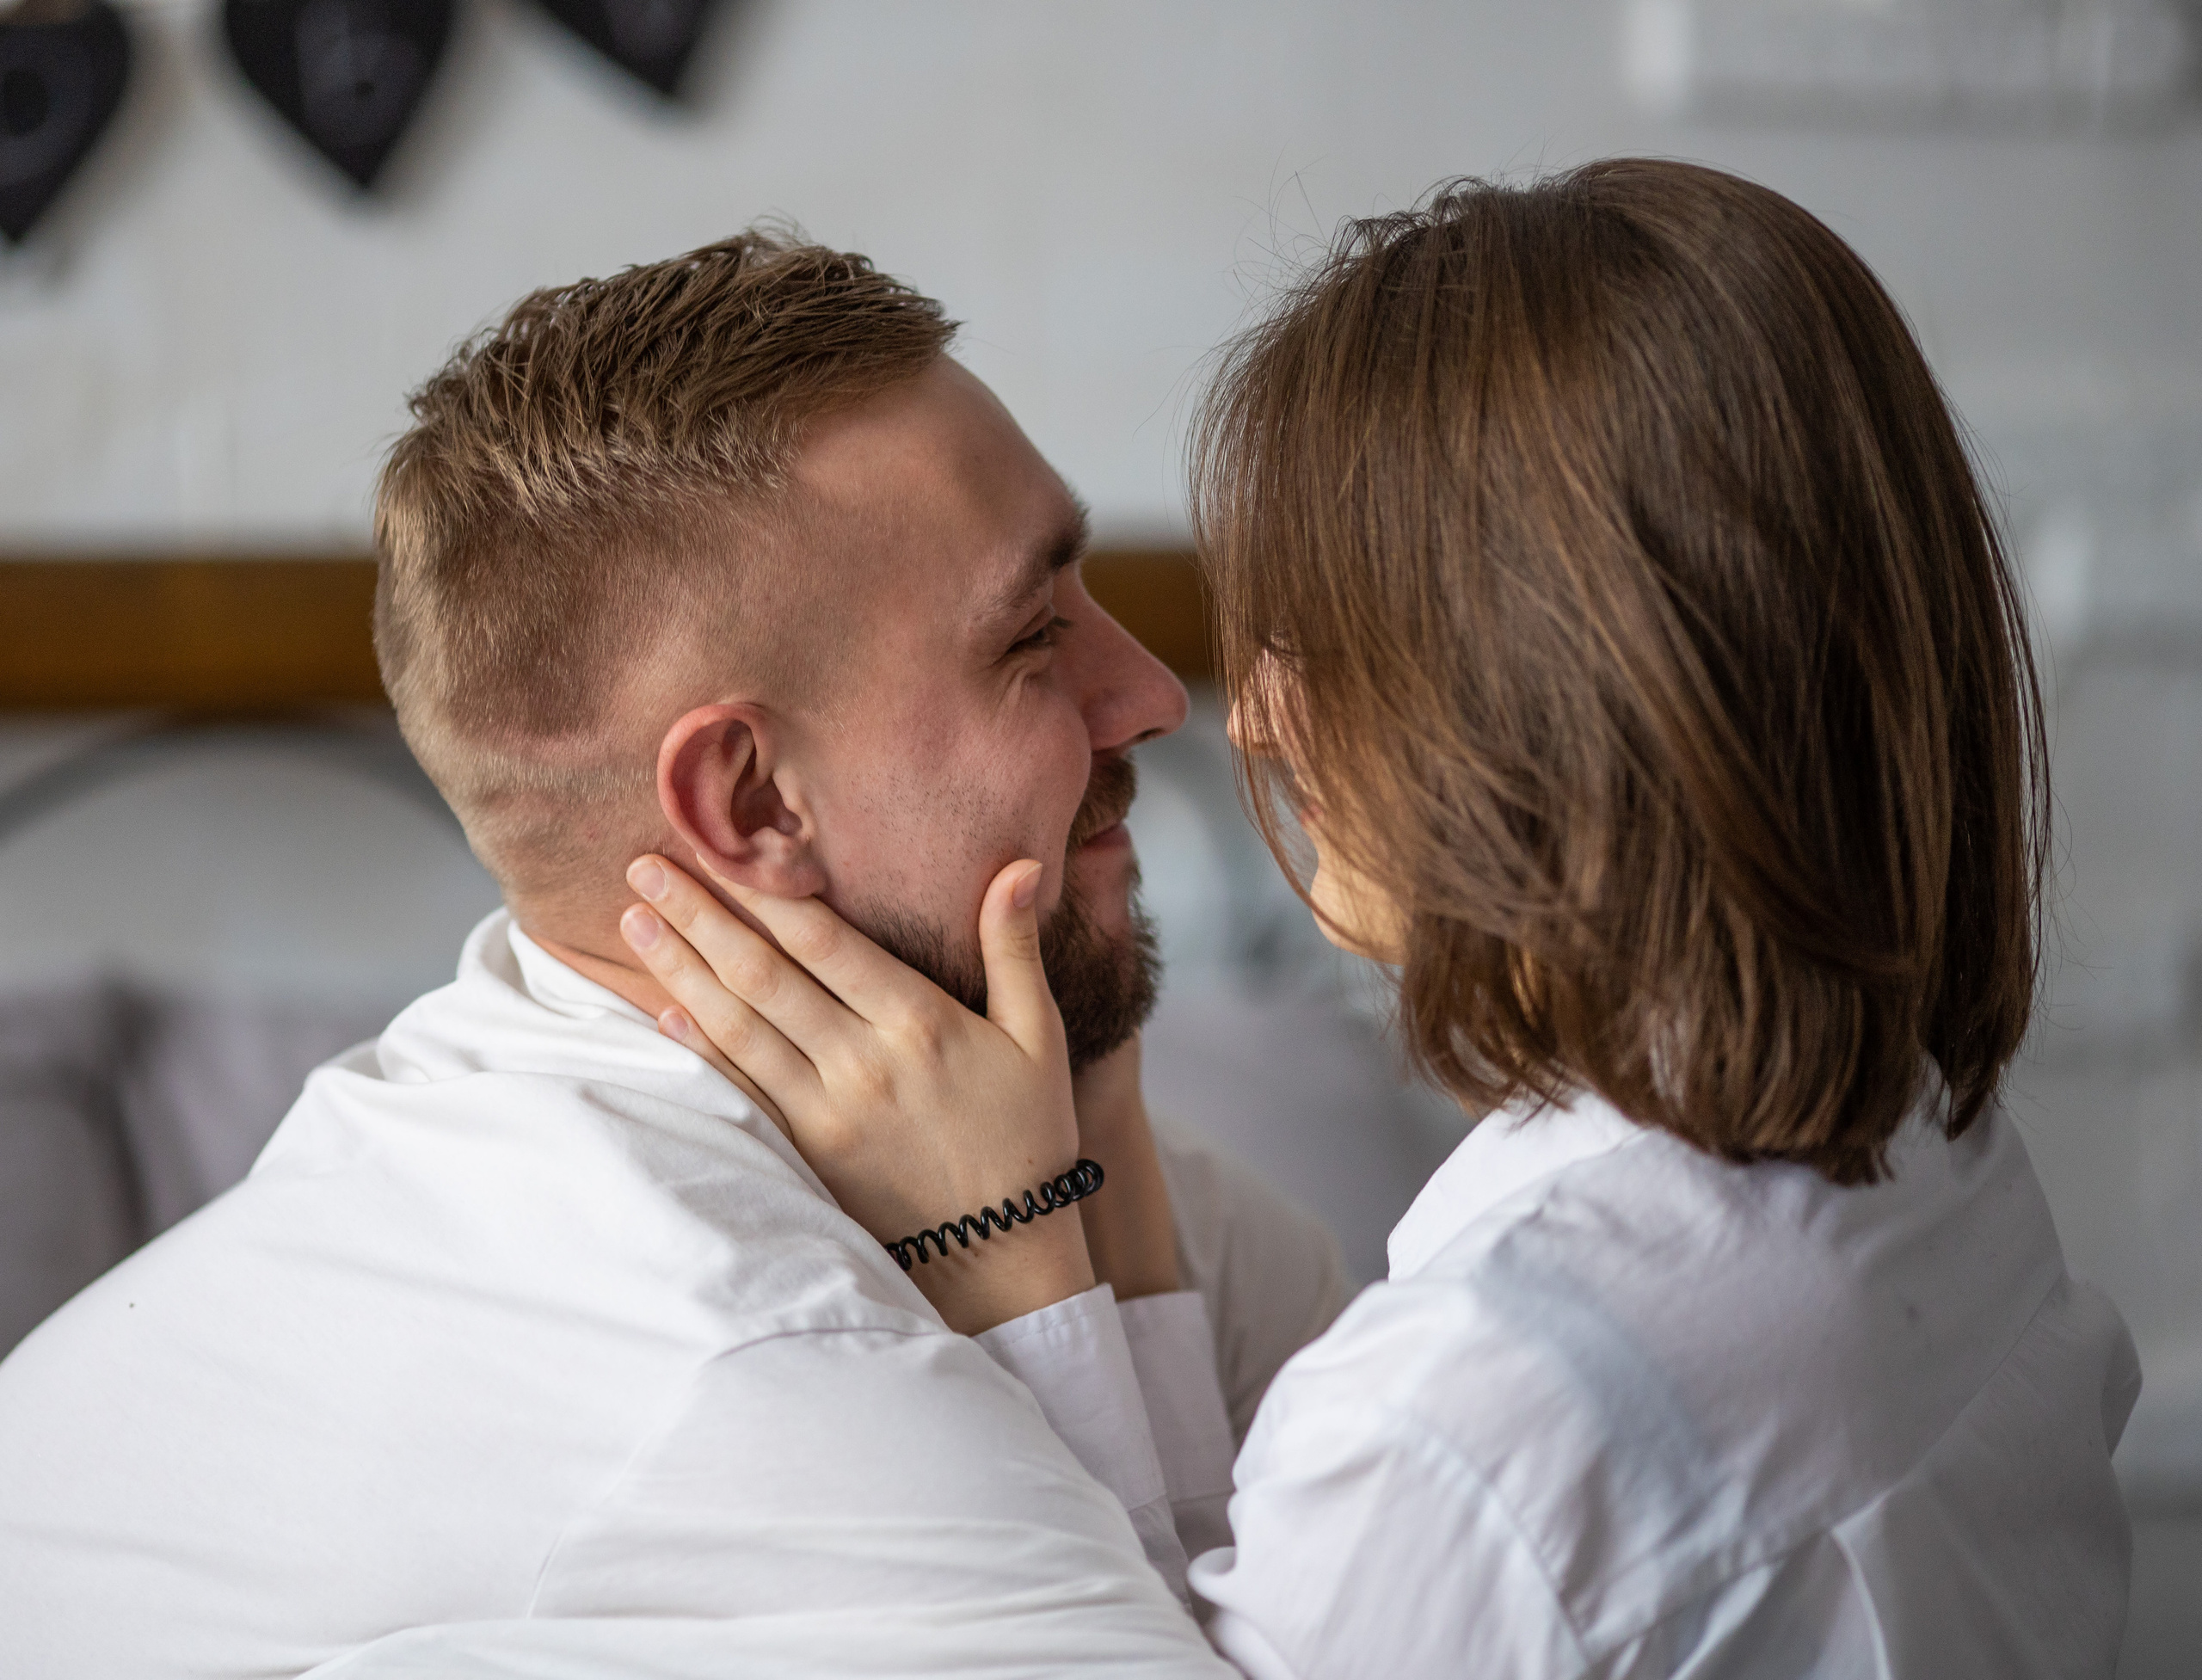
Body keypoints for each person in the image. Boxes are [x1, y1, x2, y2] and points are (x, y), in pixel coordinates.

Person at [613, 162, 2144, 1677]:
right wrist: (1108, 1152)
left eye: (1335, 631)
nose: (1246, 712)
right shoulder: (1940, 1163)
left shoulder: (1485, 1421)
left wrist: (1014, 1270)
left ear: (1561, 691)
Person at [0, 235, 1344, 1677]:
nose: (1150, 692)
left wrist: (1107, 1183)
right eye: (1030, 641)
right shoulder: (730, 1337)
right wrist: (1044, 1294)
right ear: (753, 802)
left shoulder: (1072, 1148)